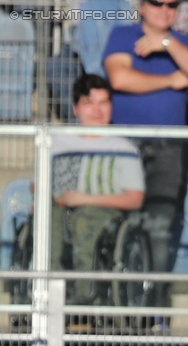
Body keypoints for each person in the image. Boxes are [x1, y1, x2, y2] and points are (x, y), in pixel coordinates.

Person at [102, 0, 188, 306]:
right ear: (141, 6)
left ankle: (154, 308)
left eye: (172, 5)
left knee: (160, 228)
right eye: (157, 3)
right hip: (124, 146)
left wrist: (166, 43)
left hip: (169, 149)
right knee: (116, 222)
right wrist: (171, 81)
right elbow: (120, 78)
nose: (164, 10)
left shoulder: (184, 42)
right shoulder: (123, 35)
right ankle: (112, 303)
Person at [52, 75, 146, 303]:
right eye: (89, 103)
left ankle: (84, 297)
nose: (97, 110)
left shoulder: (124, 148)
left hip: (104, 212)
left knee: (85, 221)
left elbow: (135, 199)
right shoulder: (56, 143)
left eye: (103, 102)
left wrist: (85, 199)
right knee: (47, 223)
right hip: (60, 208)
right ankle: (49, 295)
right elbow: (37, 183)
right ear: (75, 108)